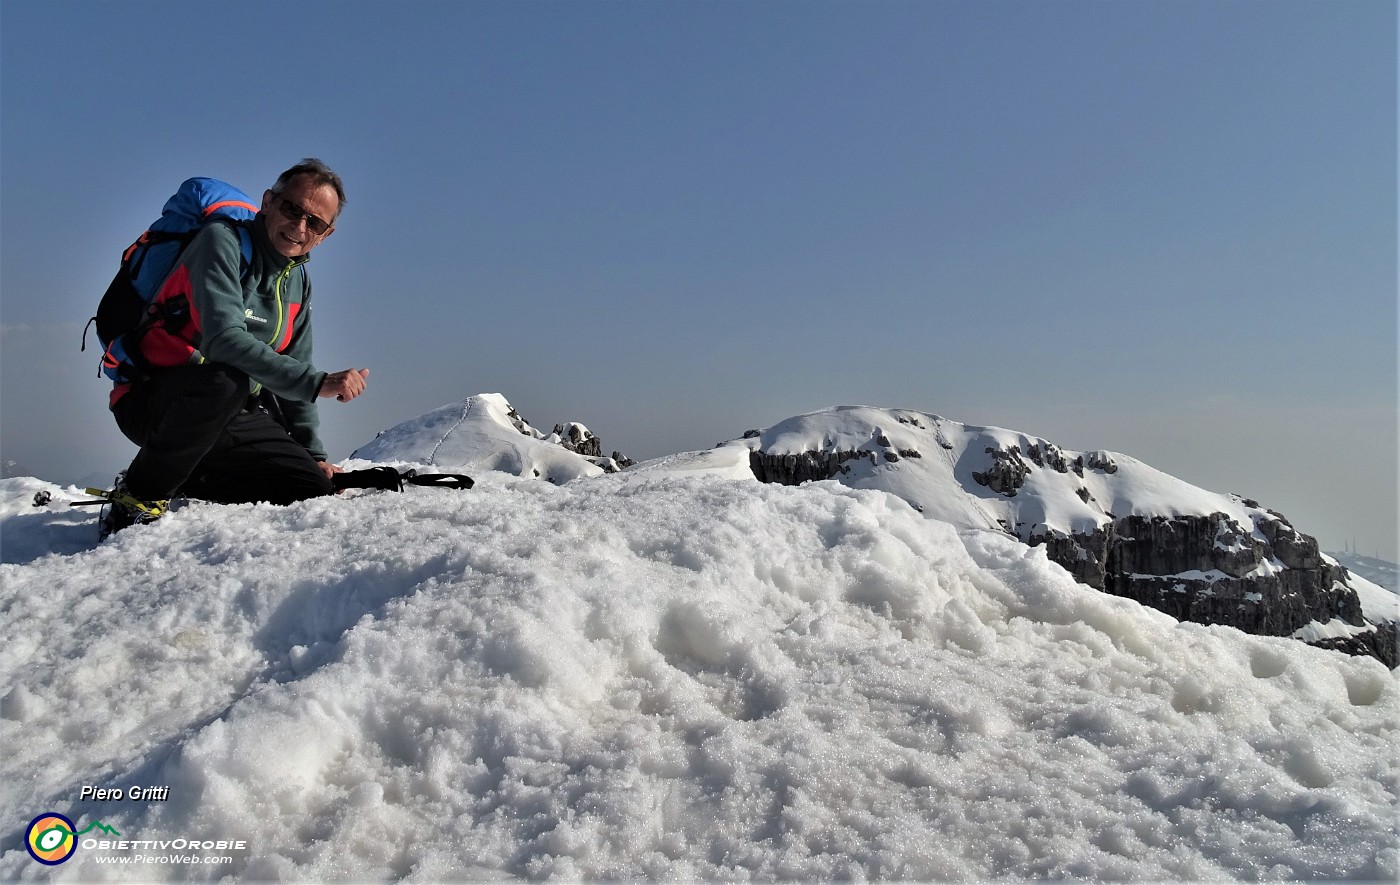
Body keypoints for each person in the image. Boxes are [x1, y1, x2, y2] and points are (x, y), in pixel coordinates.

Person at [102, 158, 369, 537]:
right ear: (268, 202)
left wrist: (314, 455)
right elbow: (223, 339)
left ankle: (181, 474)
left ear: (326, 234)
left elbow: (295, 360)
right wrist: (316, 382)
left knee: (310, 487)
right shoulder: (221, 240)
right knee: (227, 378)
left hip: (230, 411)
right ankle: (137, 495)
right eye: (292, 208)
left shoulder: (298, 282)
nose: (299, 224)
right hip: (153, 398)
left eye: (315, 222)